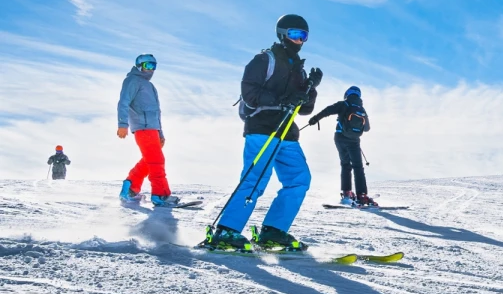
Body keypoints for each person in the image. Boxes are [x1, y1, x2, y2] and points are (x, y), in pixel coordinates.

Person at [205, 14, 322, 251]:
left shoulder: (299, 70)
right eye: (295, 34)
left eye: (304, 36)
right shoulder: (264, 60)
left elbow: (304, 109)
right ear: (282, 34)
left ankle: (273, 230)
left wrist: (311, 88)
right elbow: (249, 92)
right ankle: (227, 231)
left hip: (287, 132)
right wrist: (283, 99)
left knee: (299, 179)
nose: (299, 40)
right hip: (262, 128)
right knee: (256, 178)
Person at [117, 54, 179, 206]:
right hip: (142, 127)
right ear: (139, 66)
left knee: (149, 160)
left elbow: (156, 112)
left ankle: (130, 187)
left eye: (153, 66)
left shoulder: (150, 86)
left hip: (152, 129)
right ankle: (160, 195)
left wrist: (160, 133)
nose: (151, 69)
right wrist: (122, 124)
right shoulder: (132, 81)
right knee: (157, 161)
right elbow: (123, 102)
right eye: (147, 65)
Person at [309, 86, 376, 207]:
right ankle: (362, 195)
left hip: (340, 138)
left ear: (347, 94)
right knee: (358, 167)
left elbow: (327, 110)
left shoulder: (343, 104)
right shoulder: (362, 109)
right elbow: (367, 129)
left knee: (345, 165)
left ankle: (346, 193)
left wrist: (315, 119)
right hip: (354, 141)